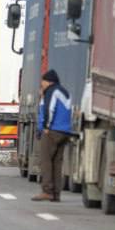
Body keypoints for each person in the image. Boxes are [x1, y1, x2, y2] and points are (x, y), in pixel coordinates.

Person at [31, 69, 72, 202]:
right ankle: (56, 193)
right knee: (57, 163)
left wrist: (46, 127)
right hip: (65, 131)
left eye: (43, 81)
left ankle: (47, 191)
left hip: (53, 130)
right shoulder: (65, 91)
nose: (41, 84)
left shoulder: (51, 91)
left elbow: (50, 108)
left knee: (46, 161)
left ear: (48, 81)